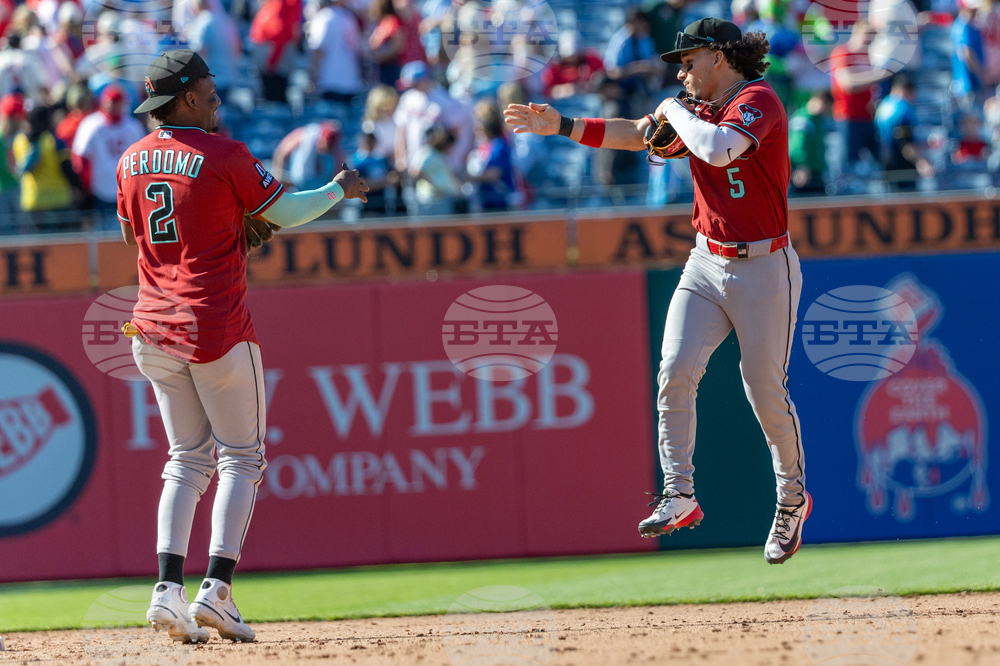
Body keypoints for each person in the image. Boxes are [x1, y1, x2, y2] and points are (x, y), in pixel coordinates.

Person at [505, 18, 811, 564]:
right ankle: (680, 494)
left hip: (766, 266)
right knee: (674, 369)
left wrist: (673, 113)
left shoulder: (759, 99)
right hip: (705, 259)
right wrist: (564, 125)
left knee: (764, 391)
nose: (683, 72)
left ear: (719, 57)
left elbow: (718, 150)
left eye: (689, 61)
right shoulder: (688, 110)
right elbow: (634, 133)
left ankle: (791, 500)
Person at [119, 50, 367, 644]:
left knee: (185, 459)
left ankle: (166, 591)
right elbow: (291, 210)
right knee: (241, 457)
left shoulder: (130, 159)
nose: (218, 99)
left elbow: (135, 233)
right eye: (208, 89)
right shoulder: (223, 153)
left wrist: (220, 225)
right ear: (183, 98)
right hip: (214, 323)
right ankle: (218, 592)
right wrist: (340, 187)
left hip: (150, 325)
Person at [72, 84, 146, 228]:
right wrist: (85, 186)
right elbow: (80, 158)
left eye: (118, 103)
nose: (115, 106)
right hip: (100, 188)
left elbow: (143, 158)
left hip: (127, 187)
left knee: (124, 234)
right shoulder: (92, 124)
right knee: (102, 233)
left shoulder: (132, 126)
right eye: (112, 102)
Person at [13, 105, 79, 228]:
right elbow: (66, 167)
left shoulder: (20, 140)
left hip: (32, 200)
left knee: (39, 245)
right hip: (58, 199)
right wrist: (77, 187)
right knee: (61, 243)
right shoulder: (53, 139)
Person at [828, 21, 880, 174]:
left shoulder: (866, 56)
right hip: (848, 116)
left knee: (878, 159)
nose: (868, 44)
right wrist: (876, 77)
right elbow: (847, 84)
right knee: (848, 163)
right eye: (867, 40)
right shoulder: (842, 53)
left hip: (867, 116)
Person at [873, 74, 934, 191]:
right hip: (903, 170)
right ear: (908, 91)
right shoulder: (902, 109)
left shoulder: (882, 107)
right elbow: (905, 144)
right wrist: (921, 161)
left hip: (884, 166)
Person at [307, 0, 363, 103]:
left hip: (330, 81)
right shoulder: (349, 17)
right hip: (349, 81)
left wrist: (312, 77)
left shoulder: (325, 17)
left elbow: (318, 50)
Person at [466, 100, 517, 211]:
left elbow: (495, 173)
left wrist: (467, 177)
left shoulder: (499, 145)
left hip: (500, 203)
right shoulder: (481, 146)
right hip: (484, 201)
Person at [187, 0, 242, 101]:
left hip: (211, 81)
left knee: (212, 114)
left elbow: (199, 54)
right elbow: (238, 50)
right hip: (229, 77)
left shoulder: (203, 22)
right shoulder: (226, 20)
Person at [271, 120, 345, 190]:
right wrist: (278, 173)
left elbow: (340, 169)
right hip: (296, 180)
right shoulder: (305, 136)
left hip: (320, 185)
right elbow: (282, 152)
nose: (329, 146)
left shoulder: (336, 148)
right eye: (327, 143)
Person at [369, 0, 425, 87]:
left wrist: (376, 56)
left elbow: (396, 47)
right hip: (409, 67)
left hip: (400, 69)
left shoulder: (391, 22)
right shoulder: (410, 15)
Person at [409, 123, 462, 215]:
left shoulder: (440, 155)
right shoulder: (425, 153)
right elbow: (415, 172)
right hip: (430, 200)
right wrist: (435, 185)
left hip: (443, 198)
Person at [788, 90, 831, 195]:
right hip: (804, 174)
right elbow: (798, 146)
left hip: (815, 173)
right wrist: (802, 166)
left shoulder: (817, 120)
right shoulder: (803, 119)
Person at [539, 30, 604, 99]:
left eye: (575, 55)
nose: (572, 59)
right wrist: (564, 89)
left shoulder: (592, 60)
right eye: (569, 56)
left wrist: (594, 84)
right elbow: (547, 92)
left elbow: (605, 78)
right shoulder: (554, 68)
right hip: (562, 104)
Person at [953, 0, 985, 108]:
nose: (976, 12)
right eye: (973, 10)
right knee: (972, 118)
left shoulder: (967, 25)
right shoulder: (963, 27)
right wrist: (980, 74)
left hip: (970, 84)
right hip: (968, 83)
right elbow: (967, 53)